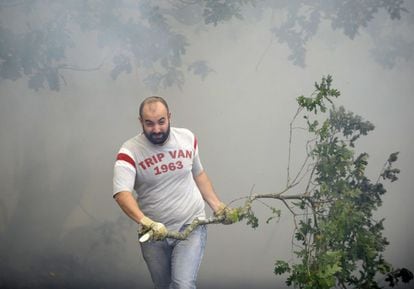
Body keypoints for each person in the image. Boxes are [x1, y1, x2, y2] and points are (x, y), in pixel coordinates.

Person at [112, 96, 234, 289]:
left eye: (161, 121)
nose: (157, 129)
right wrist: (146, 222)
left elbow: (199, 174)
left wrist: (217, 205)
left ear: (169, 117)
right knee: (163, 285)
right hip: (153, 233)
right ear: (140, 122)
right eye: (149, 124)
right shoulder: (129, 151)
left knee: (182, 284)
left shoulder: (187, 138)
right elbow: (121, 193)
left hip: (191, 224)